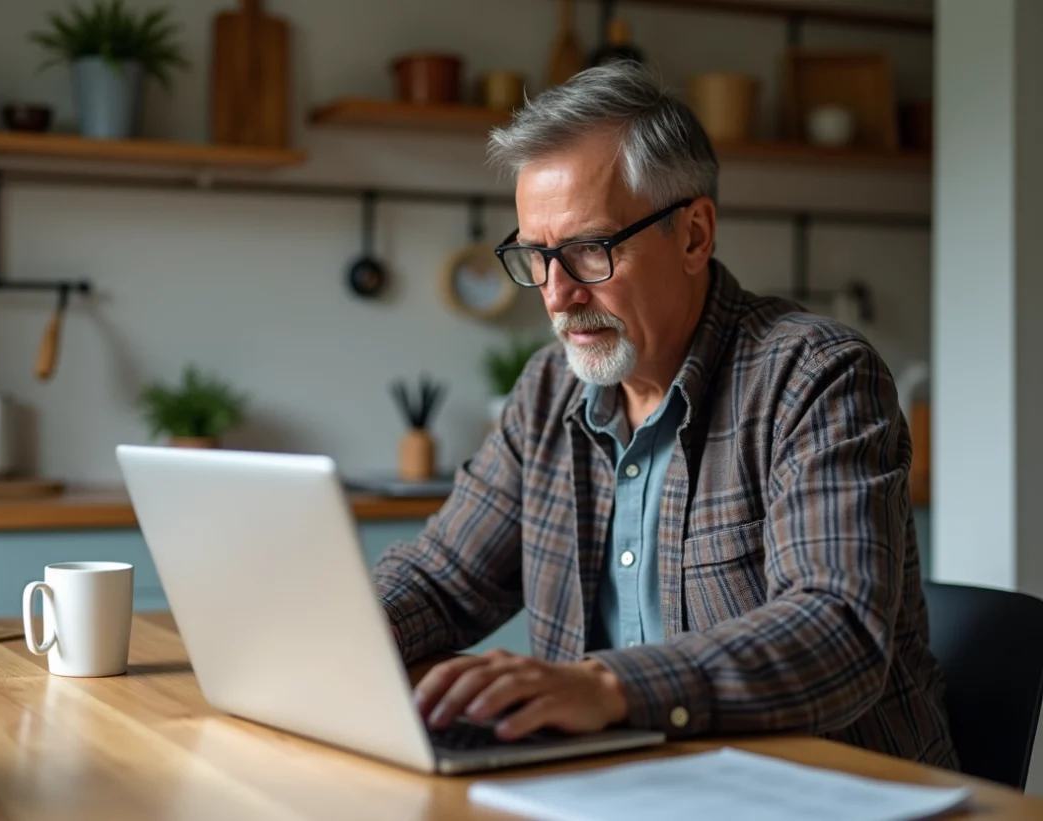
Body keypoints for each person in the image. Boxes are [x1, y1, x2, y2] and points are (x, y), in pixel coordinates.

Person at [371, 62, 958, 769]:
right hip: (616, 788)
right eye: (536, 255)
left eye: (588, 250)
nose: (556, 295)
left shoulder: (815, 375)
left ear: (693, 235)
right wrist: (322, 629)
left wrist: (606, 685)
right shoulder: (548, 389)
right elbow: (443, 578)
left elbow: (835, 629)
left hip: (826, 793)